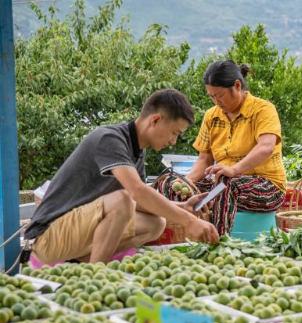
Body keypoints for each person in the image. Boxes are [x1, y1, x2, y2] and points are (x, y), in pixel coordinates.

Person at [24, 89, 219, 265]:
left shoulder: (137, 151)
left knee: (157, 223)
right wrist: (189, 221)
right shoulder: (110, 138)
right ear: (155, 120)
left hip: (75, 234)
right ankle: (96, 275)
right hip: (47, 236)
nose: (173, 141)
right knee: (123, 199)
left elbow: (142, 202)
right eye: (174, 133)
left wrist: (182, 207)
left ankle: (85, 260)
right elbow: (136, 193)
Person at [160, 60, 286, 236]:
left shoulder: (262, 110)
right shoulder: (212, 116)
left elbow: (266, 147)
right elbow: (204, 159)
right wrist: (187, 181)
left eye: (219, 95)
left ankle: (218, 244)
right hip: (222, 182)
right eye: (211, 96)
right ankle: (180, 238)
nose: (216, 101)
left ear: (237, 86)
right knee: (170, 185)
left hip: (267, 187)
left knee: (225, 185)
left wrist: (234, 170)